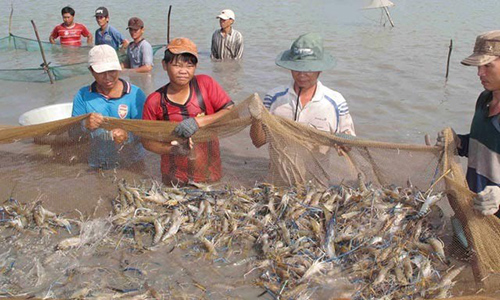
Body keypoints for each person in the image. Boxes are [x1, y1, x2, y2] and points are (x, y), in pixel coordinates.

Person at [249, 33, 355, 186]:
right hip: (278, 183)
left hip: (316, 186)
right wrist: (256, 119)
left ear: (320, 69)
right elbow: (258, 141)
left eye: (309, 69)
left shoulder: (336, 102)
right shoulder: (274, 98)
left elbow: (349, 144)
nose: (302, 74)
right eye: (297, 68)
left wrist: (344, 143)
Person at [142, 38, 234, 185]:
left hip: (210, 175)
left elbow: (230, 112)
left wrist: (199, 121)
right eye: (177, 65)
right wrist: (172, 149)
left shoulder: (205, 84)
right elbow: (146, 142)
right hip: (173, 178)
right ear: (165, 65)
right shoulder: (154, 101)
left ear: (195, 67)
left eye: (189, 65)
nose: (183, 71)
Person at [437, 30, 500, 218]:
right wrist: (459, 143)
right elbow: (484, 146)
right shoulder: (484, 100)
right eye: (479, 66)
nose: (480, 73)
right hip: (473, 208)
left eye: (488, 66)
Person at [71, 44, 146, 170]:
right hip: (97, 163)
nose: (107, 77)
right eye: (101, 72)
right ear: (91, 71)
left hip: (132, 163)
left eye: (112, 71)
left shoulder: (135, 94)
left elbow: (146, 132)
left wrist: (127, 135)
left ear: (119, 67)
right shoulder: (83, 95)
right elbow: (73, 134)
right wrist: (85, 124)